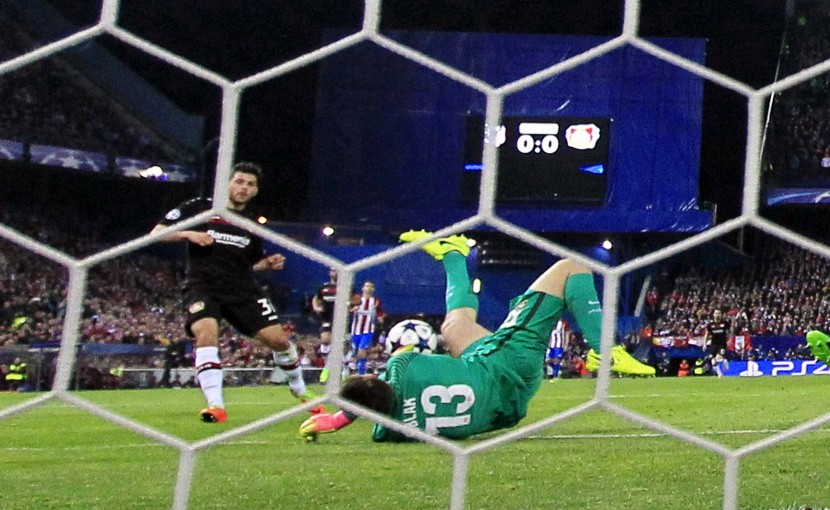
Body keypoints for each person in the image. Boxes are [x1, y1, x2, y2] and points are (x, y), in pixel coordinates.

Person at [299, 230, 655, 443]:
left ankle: (453, 255)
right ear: (374, 379)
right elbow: (396, 377)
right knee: (571, 268)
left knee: (454, 326)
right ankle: (605, 350)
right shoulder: (401, 365)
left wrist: (337, 419)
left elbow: (373, 402)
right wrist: (343, 410)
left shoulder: (389, 432)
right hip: (507, 363)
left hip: (505, 409)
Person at [151, 161, 318, 423]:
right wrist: (189, 235)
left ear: (255, 191)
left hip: (242, 289)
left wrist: (267, 264)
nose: (243, 188)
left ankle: (301, 391)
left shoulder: (251, 225)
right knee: (206, 332)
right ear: (227, 183)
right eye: (239, 181)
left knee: (279, 341)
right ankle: (216, 406)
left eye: (250, 184)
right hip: (203, 286)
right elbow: (157, 233)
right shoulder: (200, 207)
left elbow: (251, 264)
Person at [350, 280, 385, 375]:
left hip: (368, 330)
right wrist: (352, 309)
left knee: (362, 351)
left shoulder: (376, 301)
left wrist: (380, 317)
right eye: (367, 286)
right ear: (363, 288)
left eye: (371, 286)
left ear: (373, 289)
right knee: (355, 352)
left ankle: (361, 373)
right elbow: (348, 308)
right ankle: (354, 369)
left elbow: (380, 312)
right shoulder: (357, 299)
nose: (369, 288)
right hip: (355, 330)